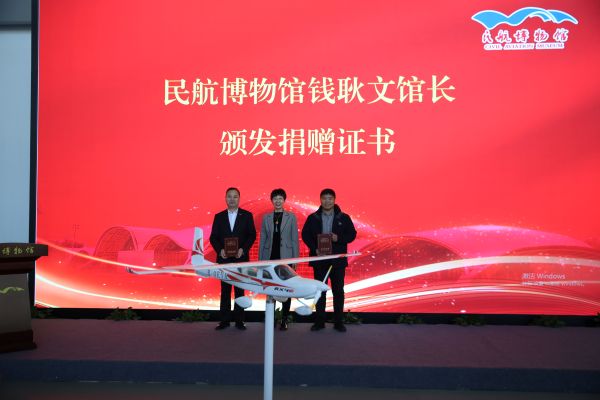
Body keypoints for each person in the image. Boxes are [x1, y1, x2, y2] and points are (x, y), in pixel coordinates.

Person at [301, 188, 356, 332]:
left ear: (334, 200)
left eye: (330, 198)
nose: (327, 201)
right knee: (320, 291)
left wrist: (339, 238)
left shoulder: (344, 217)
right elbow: (305, 235)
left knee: (338, 291)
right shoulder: (313, 217)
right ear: (320, 200)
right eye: (324, 198)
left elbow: (352, 234)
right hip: (320, 260)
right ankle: (320, 322)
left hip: (337, 261)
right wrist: (315, 248)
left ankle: (338, 322)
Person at [209, 187, 256, 330]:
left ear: (239, 199)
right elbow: (213, 237)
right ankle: (224, 321)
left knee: (240, 290)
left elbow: (252, 235)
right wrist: (220, 250)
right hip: (224, 260)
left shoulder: (247, 215)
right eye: (229, 196)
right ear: (225, 198)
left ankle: (239, 321)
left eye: (235, 196)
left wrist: (243, 249)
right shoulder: (219, 216)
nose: (232, 199)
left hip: (240, 259)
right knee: (225, 290)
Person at [258, 188, 299, 331]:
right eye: (275, 198)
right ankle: (272, 317)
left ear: (284, 200)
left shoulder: (291, 217)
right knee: (270, 288)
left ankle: (284, 319)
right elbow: (263, 238)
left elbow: (294, 239)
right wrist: (260, 260)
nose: (277, 201)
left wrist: (295, 260)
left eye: (280, 198)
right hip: (270, 258)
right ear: (271, 200)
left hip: (286, 258)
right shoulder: (266, 217)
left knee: (286, 289)